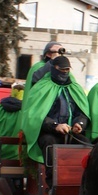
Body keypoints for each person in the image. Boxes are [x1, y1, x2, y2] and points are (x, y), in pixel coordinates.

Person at [20, 55, 90, 186]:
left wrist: (79, 123)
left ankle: (82, 183)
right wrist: (55, 126)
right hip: (48, 132)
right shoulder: (41, 87)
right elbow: (35, 115)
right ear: (54, 68)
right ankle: (53, 184)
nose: (64, 72)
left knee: (85, 144)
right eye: (61, 69)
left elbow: (82, 113)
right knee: (50, 143)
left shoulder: (74, 88)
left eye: (67, 69)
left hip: (70, 132)